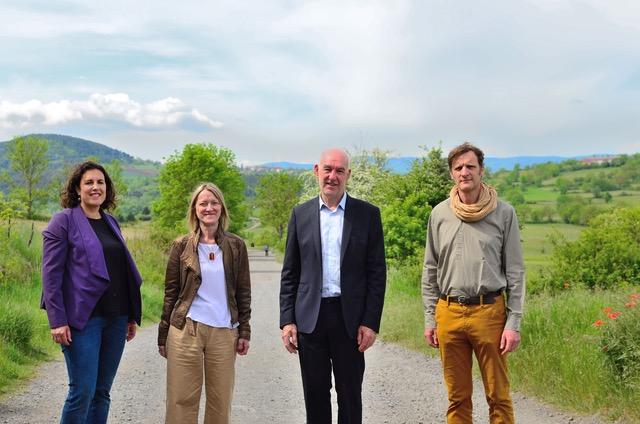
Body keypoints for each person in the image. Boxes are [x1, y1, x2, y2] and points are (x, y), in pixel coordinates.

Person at [280, 148, 386, 424]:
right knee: (315, 395)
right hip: (310, 319)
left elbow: (377, 274)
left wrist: (370, 322)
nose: (332, 176)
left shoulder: (367, 215)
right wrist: (287, 320)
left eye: (339, 171)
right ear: (317, 171)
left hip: (350, 320)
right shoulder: (300, 215)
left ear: (348, 175)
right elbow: (290, 272)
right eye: (328, 169)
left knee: (350, 395)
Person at [422, 142, 525, 424]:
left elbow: (515, 271)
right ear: (452, 174)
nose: (464, 172)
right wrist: (431, 319)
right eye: (458, 167)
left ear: (481, 170)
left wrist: (513, 323)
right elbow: (430, 270)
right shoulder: (439, 214)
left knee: (498, 396)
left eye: (470, 166)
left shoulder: (504, 213)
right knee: (457, 398)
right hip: (449, 312)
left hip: (489, 312)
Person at [41, 160, 143, 424]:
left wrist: (130, 316)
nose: (96, 187)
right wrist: (57, 320)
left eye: (101, 182)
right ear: (77, 189)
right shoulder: (62, 222)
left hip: (116, 318)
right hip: (83, 320)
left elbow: (120, 272)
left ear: (107, 189)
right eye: (89, 182)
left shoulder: (111, 222)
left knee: (102, 392)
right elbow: (51, 276)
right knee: (82, 392)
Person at [158, 182, 251, 424]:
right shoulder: (182, 246)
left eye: (214, 202)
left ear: (222, 208)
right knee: (181, 400)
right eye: (203, 203)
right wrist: (163, 334)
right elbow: (171, 292)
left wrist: (245, 331)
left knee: (220, 402)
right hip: (186, 330)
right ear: (195, 209)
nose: (209, 207)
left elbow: (243, 292)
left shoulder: (236, 245)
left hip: (224, 332)